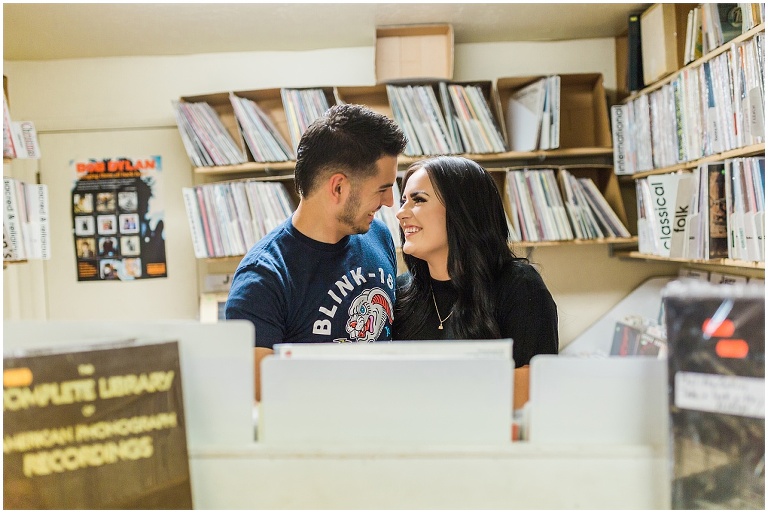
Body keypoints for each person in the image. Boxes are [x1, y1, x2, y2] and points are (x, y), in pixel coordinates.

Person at [226, 103, 408, 401]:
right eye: (382, 188)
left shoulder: (379, 235)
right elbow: (259, 401)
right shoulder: (263, 279)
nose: (390, 201)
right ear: (338, 188)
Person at [393, 156, 558, 368]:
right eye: (403, 201)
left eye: (419, 200)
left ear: (462, 210)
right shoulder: (399, 292)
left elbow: (531, 388)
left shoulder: (519, 286)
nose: (400, 214)